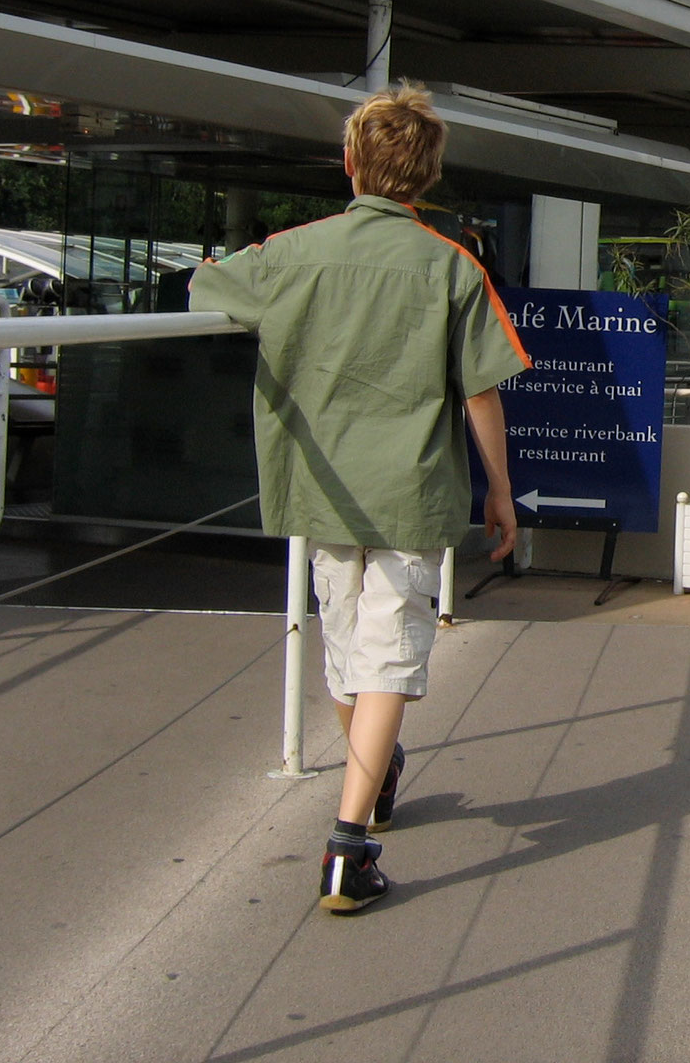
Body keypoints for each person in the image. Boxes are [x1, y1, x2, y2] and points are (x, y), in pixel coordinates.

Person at [189, 85, 531, 915]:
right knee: (385, 656)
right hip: (412, 494)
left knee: (346, 651)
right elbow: (482, 390)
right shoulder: (453, 266)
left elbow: (209, 289)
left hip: (319, 489)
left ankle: (366, 792)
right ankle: (348, 852)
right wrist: (502, 493)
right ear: (429, 175)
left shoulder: (291, 252)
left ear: (350, 164)